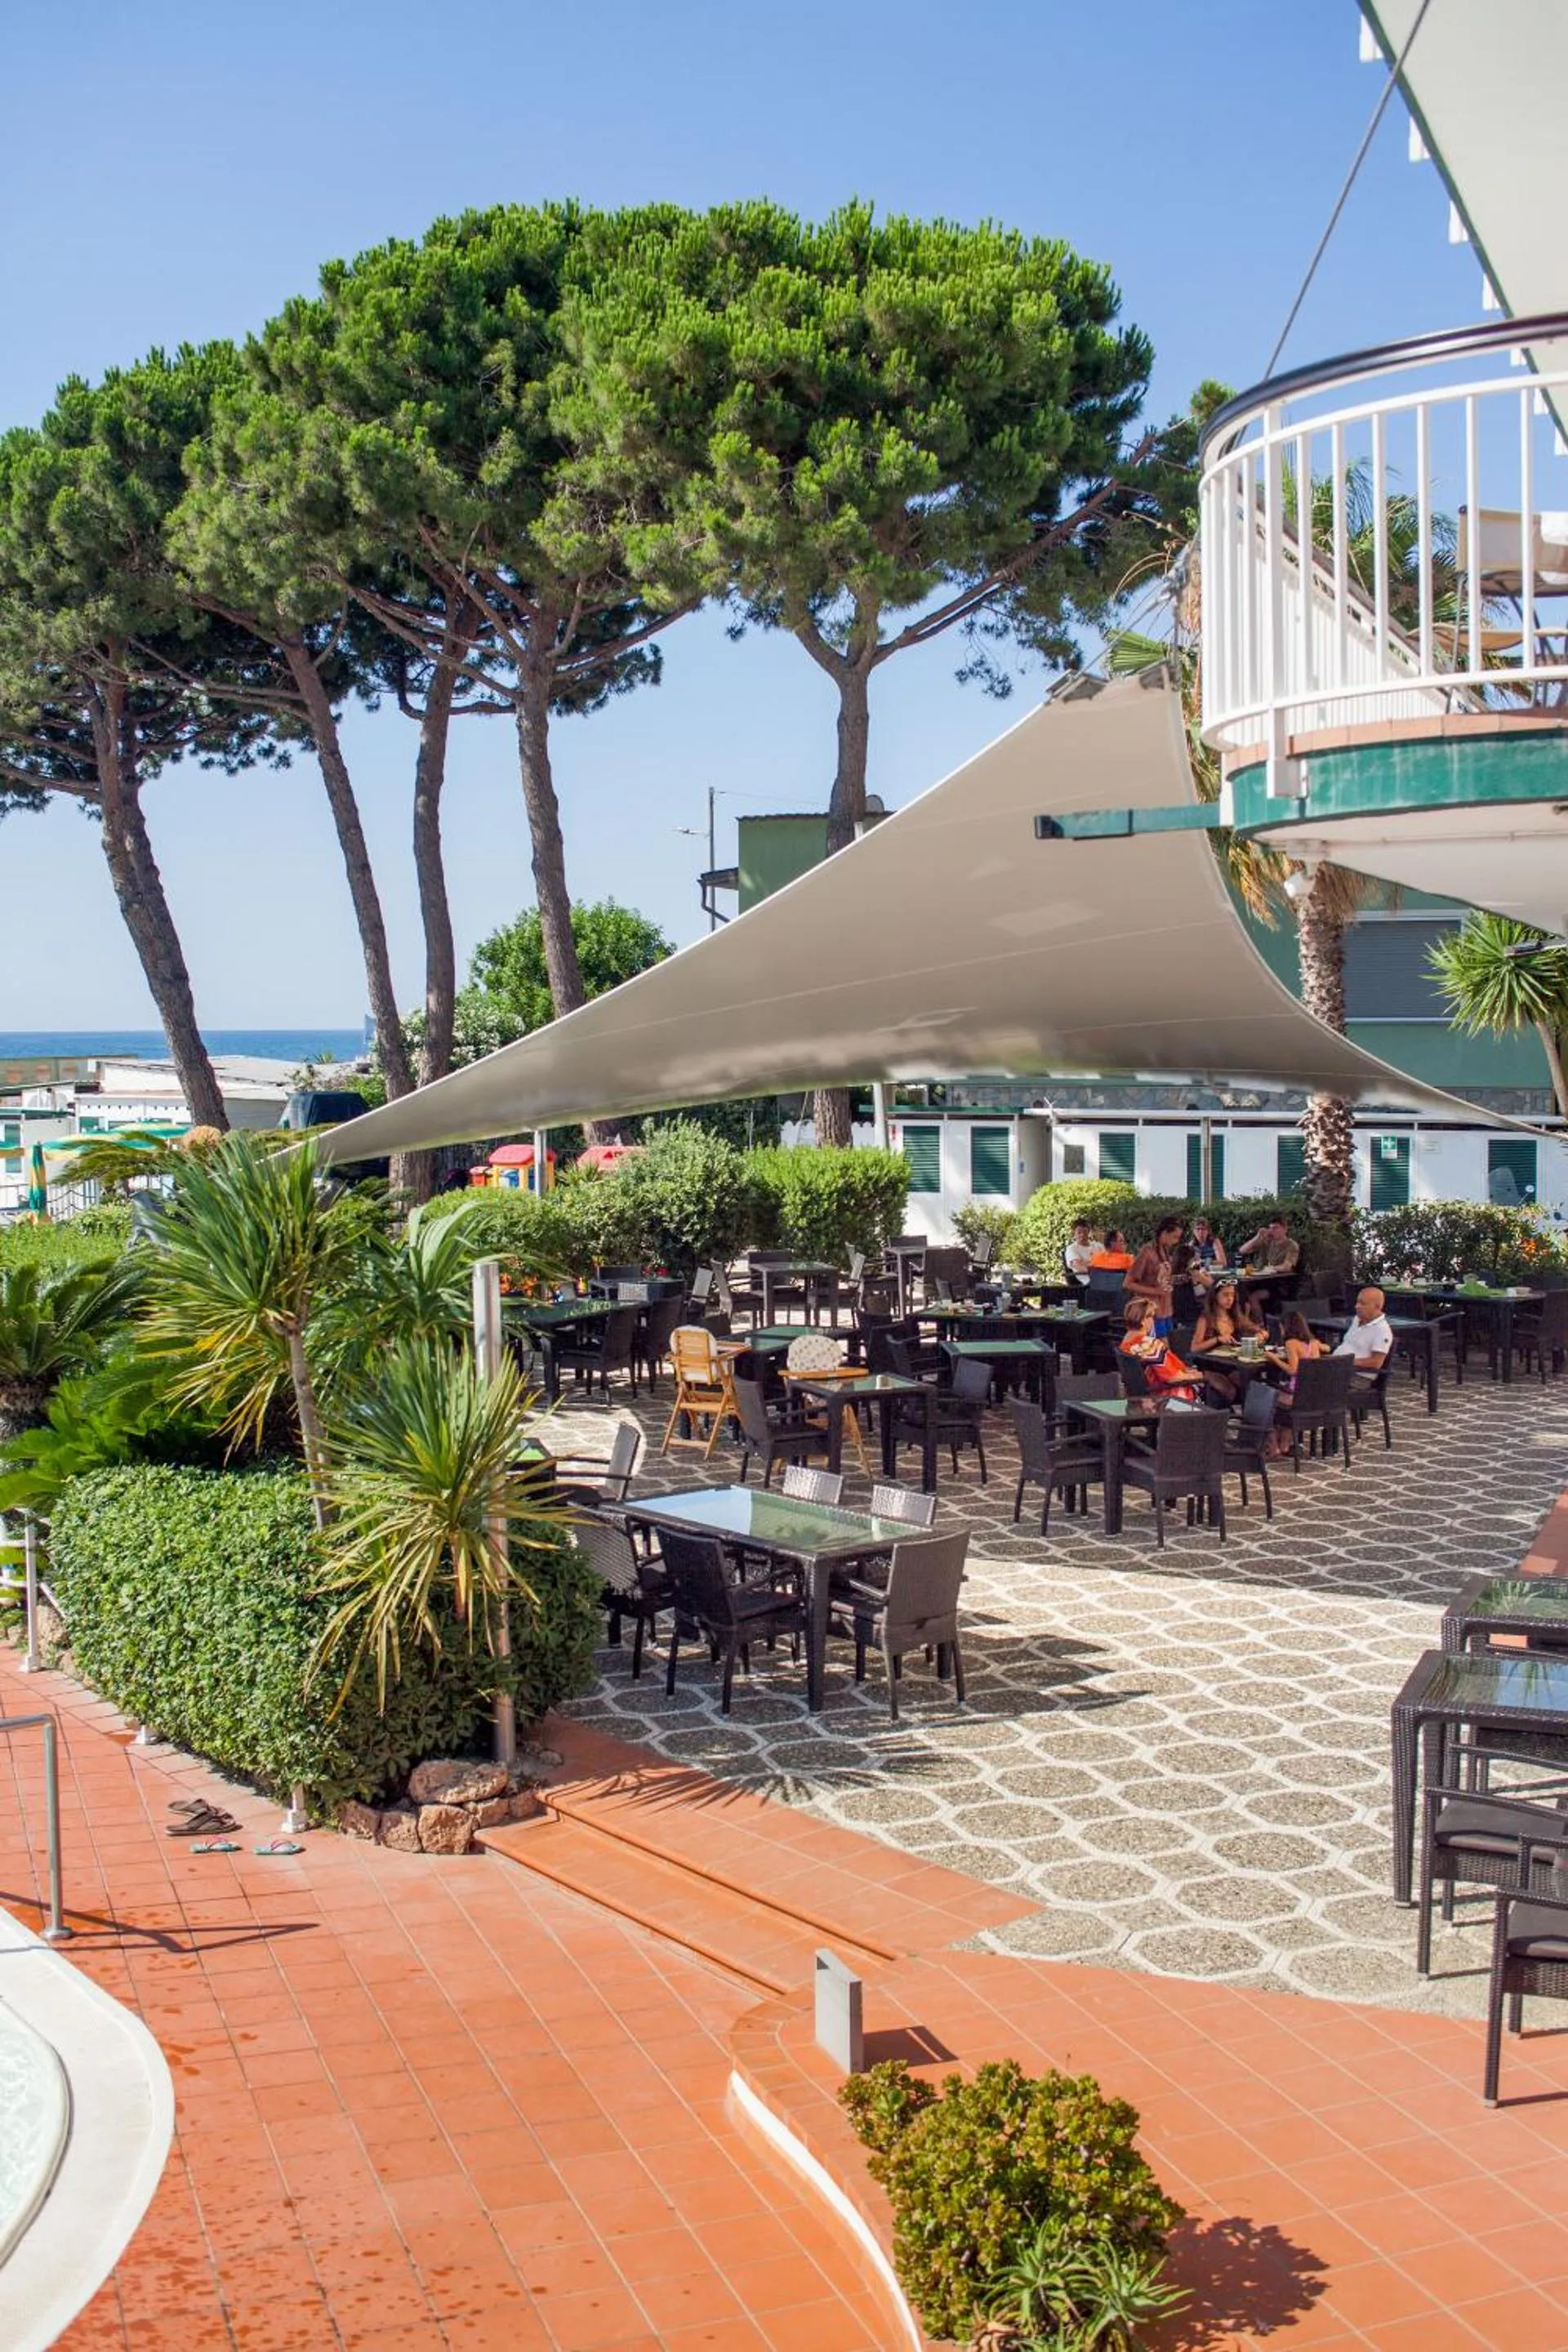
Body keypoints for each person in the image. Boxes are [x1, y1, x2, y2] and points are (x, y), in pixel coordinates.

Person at [1191, 1277, 1265, 1402]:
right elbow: (1194, 1348)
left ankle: (1246, 1413)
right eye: (1225, 1295)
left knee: (1247, 1383)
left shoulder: (1235, 1315)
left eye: (1232, 1295)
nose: (1230, 1299)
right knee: (1229, 1389)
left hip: (1230, 1364)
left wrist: (1261, 1333)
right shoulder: (1206, 1319)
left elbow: (1253, 1327)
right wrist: (1217, 1339)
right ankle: (1228, 1415)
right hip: (1209, 1366)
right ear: (1215, 1296)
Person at [1269, 1308, 1329, 1453]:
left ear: (1286, 1327)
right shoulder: (1313, 1343)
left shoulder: (1291, 1343)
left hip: (1296, 1394)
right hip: (1312, 1393)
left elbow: (1293, 1370)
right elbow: (1326, 1348)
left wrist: (1274, 1358)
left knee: (1266, 1399)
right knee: (1282, 1399)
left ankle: (1273, 1445)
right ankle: (1285, 1443)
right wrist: (1323, 1347)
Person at [1120, 1296, 1202, 1397]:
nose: (1153, 1321)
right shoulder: (1149, 1345)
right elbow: (1173, 1378)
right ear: (1143, 1320)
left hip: (1144, 1396)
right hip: (1169, 1396)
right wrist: (1199, 1376)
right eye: (1151, 1317)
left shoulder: (1125, 1343)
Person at [1127, 1217, 1184, 1328]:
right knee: (1161, 1343)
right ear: (1164, 1233)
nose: (1176, 1241)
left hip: (1166, 1308)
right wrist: (1155, 1291)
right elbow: (1128, 1283)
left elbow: (1161, 1279)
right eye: (1175, 1237)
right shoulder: (1147, 1252)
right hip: (1152, 1310)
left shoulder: (1165, 1250)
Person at [1334, 1286, 1394, 1376]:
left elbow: (1376, 1363)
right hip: (1338, 1369)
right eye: (1357, 1302)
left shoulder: (1382, 1330)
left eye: (1362, 1304)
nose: (1357, 1306)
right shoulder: (1356, 1320)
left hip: (1356, 1376)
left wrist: (1343, 1362)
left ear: (1377, 1306)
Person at [1185, 1215, 1227, 1297]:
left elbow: (1223, 1262)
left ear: (1208, 1231)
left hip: (1215, 1274)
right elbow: (1190, 1265)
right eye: (1198, 1229)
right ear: (1194, 1231)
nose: (1201, 1232)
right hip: (1200, 1275)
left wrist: (1205, 1262)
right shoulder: (1191, 1245)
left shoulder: (1214, 1242)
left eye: (1203, 1229)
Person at [1062, 1218, 1097, 1287]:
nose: (1082, 1235)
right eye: (1079, 1233)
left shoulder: (1098, 1246)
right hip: (1088, 1280)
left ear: (1089, 1232)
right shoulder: (1072, 1249)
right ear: (1074, 1234)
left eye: (1085, 1232)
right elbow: (1078, 1265)